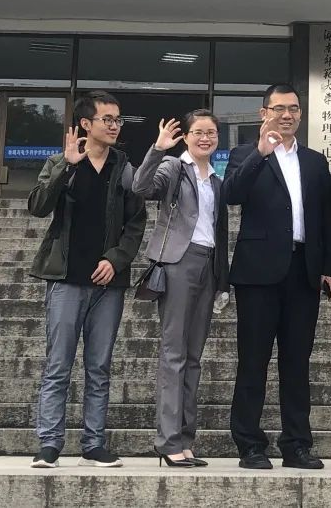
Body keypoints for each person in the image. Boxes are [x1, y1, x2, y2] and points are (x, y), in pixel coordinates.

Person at [27, 91, 147, 469]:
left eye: (117, 120)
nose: (114, 126)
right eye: (107, 119)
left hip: (108, 284)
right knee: (58, 364)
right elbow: (37, 206)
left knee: (99, 367)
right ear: (85, 124)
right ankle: (49, 443)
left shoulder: (124, 168)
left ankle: (94, 443)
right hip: (66, 279)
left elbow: (136, 223)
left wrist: (116, 259)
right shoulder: (61, 162)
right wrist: (66, 166)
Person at [223, 83, 331, 471]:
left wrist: (329, 267)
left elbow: (326, 218)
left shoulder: (314, 161)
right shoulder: (245, 154)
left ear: (301, 114)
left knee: (297, 363)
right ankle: (249, 444)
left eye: (293, 109)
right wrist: (260, 152)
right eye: (278, 109)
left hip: (303, 271)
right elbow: (231, 194)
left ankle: (297, 444)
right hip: (258, 272)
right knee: (252, 361)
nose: (286, 115)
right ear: (264, 113)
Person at [132, 110, 229, 468]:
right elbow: (140, 188)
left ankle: (186, 440)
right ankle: (168, 441)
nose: (205, 138)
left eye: (211, 132)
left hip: (208, 264)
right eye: (198, 132)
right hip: (178, 262)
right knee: (174, 354)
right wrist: (157, 149)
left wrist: (223, 280)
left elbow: (220, 232)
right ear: (186, 137)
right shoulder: (174, 167)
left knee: (193, 357)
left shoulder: (216, 180)